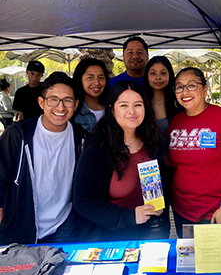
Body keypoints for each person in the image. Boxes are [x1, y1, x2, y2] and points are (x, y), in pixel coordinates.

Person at [0, 72, 87, 244]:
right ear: (41, 102)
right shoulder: (19, 135)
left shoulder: (81, 138)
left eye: (67, 101)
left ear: (76, 104)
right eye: (53, 100)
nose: (60, 107)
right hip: (21, 225)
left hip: (64, 225)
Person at [74, 81, 165, 241]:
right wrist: (130, 216)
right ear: (112, 110)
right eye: (123, 105)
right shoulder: (97, 147)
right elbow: (84, 201)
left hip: (149, 235)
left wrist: (158, 204)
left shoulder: (153, 141)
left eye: (138, 105)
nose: (132, 111)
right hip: (109, 238)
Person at [168, 67, 221, 238]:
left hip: (216, 213)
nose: (185, 91)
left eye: (191, 85)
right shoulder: (177, 121)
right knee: (190, 263)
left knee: (218, 263)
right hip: (182, 212)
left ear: (205, 89)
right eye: (179, 87)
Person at [143, 56, 182, 238]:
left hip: (178, 168)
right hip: (150, 172)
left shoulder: (179, 102)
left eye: (163, 73)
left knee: (183, 213)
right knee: (158, 221)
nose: (158, 77)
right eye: (153, 73)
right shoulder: (141, 102)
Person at [72, 58, 110, 132]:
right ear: (80, 79)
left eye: (101, 78)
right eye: (90, 78)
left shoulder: (113, 108)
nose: (97, 83)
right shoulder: (73, 111)